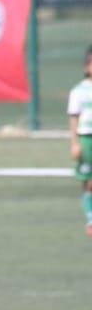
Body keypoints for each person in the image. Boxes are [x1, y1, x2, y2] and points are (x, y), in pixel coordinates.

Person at [68, 45, 92, 238]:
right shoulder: (78, 91)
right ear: (86, 67)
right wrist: (74, 143)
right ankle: (90, 218)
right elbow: (74, 117)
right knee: (88, 182)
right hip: (86, 139)